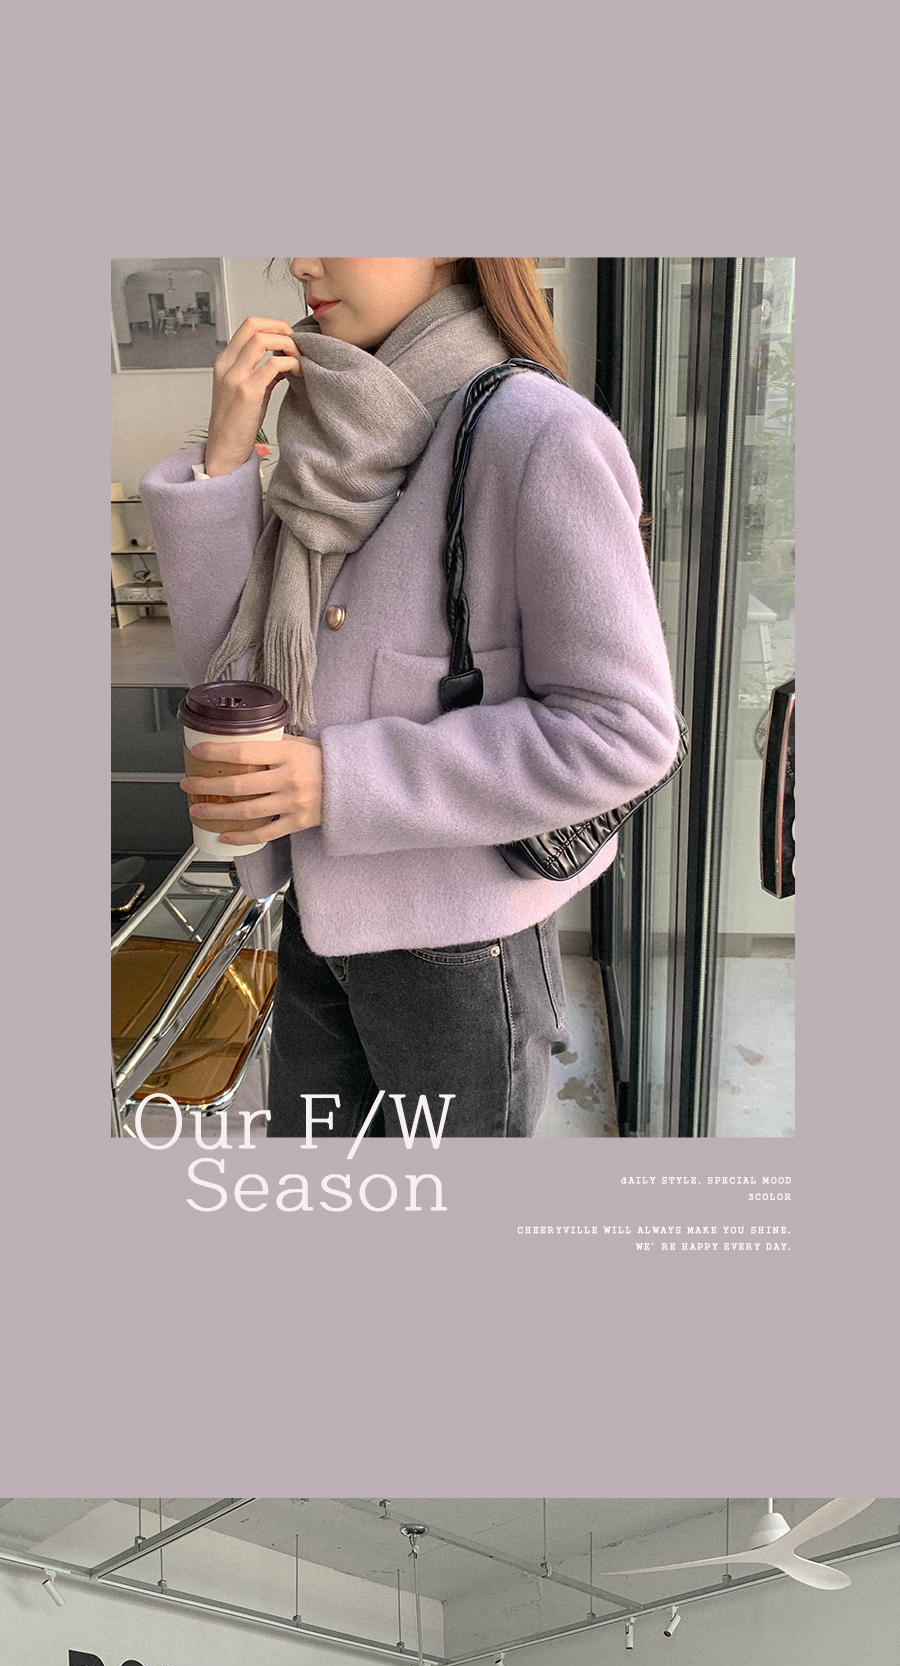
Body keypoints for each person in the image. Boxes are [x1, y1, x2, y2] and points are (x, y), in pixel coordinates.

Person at [142, 256, 682, 1140]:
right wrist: (226, 457)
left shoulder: (538, 433)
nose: (301, 260)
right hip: (316, 926)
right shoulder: (326, 424)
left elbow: (623, 733)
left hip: (460, 958)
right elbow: (231, 682)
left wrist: (337, 781)